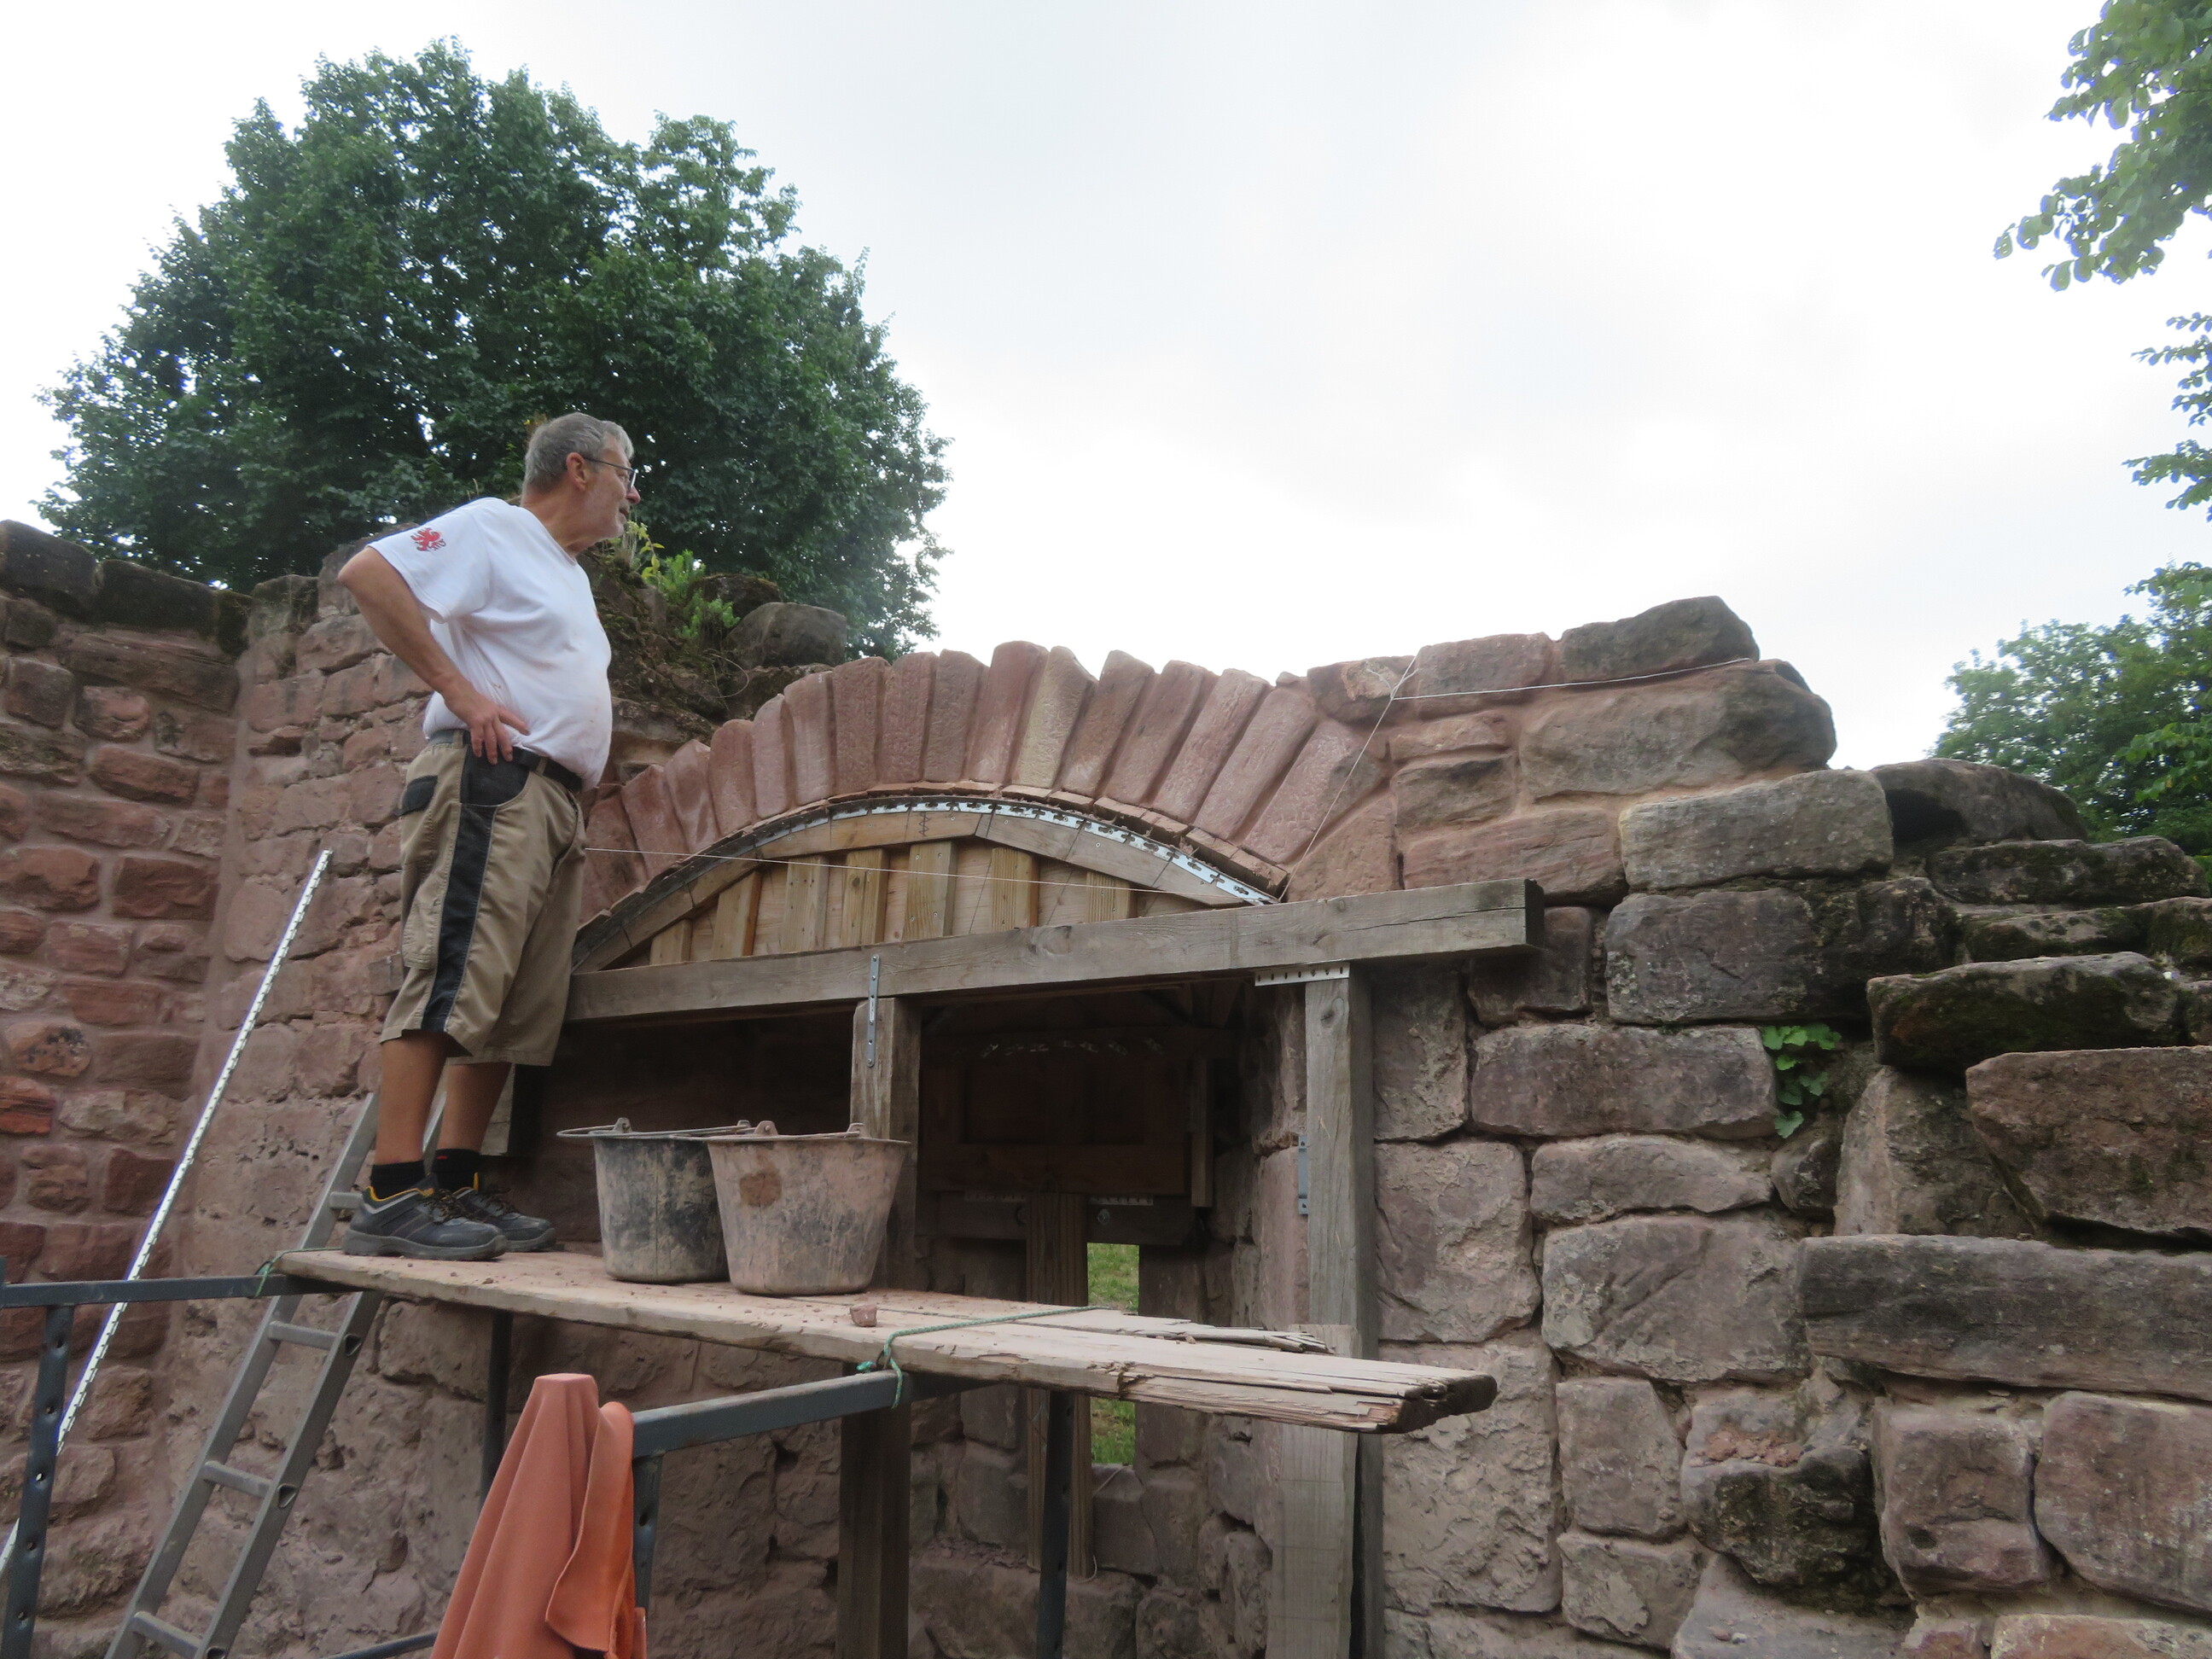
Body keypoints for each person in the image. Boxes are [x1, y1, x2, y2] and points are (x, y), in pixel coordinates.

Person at [335, 412, 635, 1259]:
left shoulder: (568, 576)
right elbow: (370, 574)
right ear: (578, 468)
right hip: (493, 785)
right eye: (626, 473)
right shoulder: (494, 528)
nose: (633, 494)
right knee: (451, 972)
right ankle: (391, 1193)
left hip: (548, 802)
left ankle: (456, 1181)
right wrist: (459, 693)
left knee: (506, 1004)